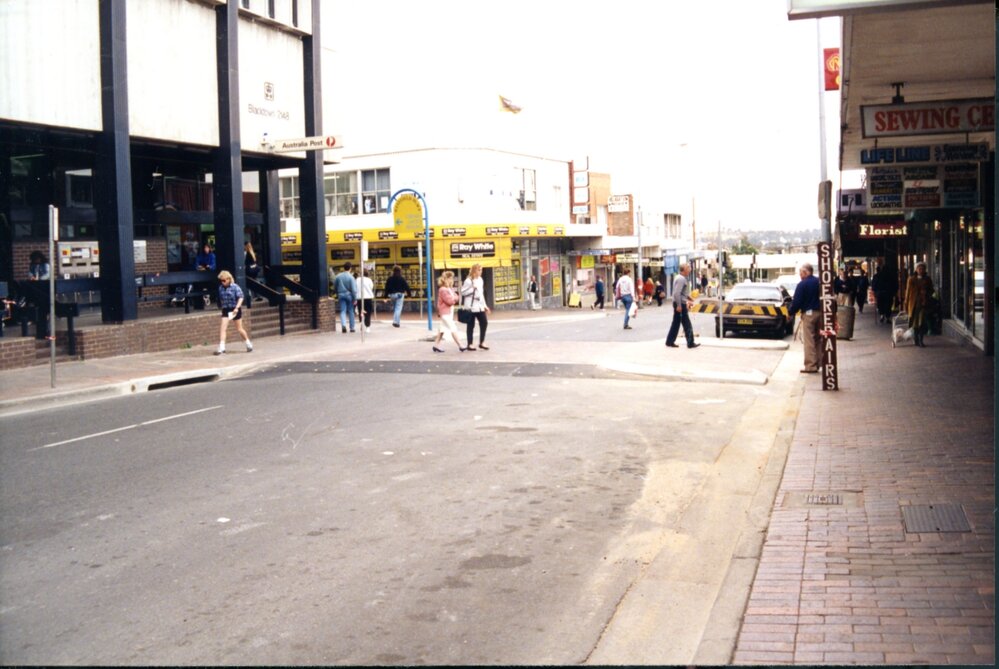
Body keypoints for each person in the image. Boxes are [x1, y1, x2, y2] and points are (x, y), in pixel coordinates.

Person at [788, 263, 821, 373]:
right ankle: (819, 362)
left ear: (806, 272)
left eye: (801, 273)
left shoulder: (802, 284)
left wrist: (791, 312)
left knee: (809, 340)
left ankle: (811, 366)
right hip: (820, 313)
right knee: (818, 339)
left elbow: (797, 302)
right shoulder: (819, 282)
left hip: (809, 314)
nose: (800, 275)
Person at [214, 270, 252, 355]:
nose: (222, 282)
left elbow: (241, 297)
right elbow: (220, 298)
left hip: (234, 308)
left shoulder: (235, 287)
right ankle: (222, 347)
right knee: (223, 328)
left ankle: (248, 343)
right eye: (221, 281)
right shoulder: (220, 288)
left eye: (224, 280)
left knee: (239, 328)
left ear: (228, 279)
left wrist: (237, 308)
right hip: (226, 309)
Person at [665, 262, 699, 349]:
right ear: (684, 270)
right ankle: (690, 343)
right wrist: (679, 305)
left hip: (679, 302)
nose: (690, 270)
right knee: (687, 323)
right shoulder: (681, 279)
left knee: (676, 323)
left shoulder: (680, 277)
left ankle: (669, 341)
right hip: (680, 304)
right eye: (688, 268)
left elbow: (681, 293)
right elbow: (676, 293)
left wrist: (689, 297)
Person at [432, 271, 466, 353]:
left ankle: (436, 345)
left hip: (448, 312)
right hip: (445, 313)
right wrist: (454, 298)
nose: (452, 280)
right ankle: (460, 345)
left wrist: (454, 298)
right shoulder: (443, 289)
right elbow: (450, 301)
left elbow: (457, 296)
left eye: (452, 278)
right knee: (453, 327)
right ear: (446, 279)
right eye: (450, 278)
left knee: (442, 329)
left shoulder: (449, 289)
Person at [460, 263, 491, 350]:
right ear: (474, 271)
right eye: (479, 270)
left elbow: (481, 294)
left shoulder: (481, 280)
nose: (481, 272)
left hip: (479, 305)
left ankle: (482, 342)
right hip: (471, 306)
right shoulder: (468, 281)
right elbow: (463, 292)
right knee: (471, 325)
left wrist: (485, 305)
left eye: (481, 270)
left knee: (484, 322)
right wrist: (472, 289)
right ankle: (470, 344)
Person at [904, 262, 933, 347]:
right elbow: (908, 293)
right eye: (919, 268)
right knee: (914, 323)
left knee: (922, 323)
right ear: (916, 270)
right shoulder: (911, 279)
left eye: (922, 268)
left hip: (923, 304)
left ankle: (921, 341)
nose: (921, 270)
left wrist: (926, 294)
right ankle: (916, 339)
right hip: (913, 304)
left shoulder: (927, 279)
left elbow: (931, 290)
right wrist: (906, 304)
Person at [333, 262, 358, 333]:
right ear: (350, 268)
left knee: (343, 311)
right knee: (351, 311)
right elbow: (353, 290)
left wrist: (336, 292)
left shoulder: (338, 276)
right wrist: (355, 298)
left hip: (341, 295)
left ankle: (343, 325)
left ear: (344, 268)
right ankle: (352, 328)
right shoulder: (351, 277)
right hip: (349, 295)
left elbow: (335, 286)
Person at [358, 268, 374, 333]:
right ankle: (367, 326)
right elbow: (371, 287)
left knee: (360, 311)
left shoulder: (357, 280)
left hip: (360, 298)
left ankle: (361, 323)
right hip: (368, 298)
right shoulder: (369, 280)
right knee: (368, 313)